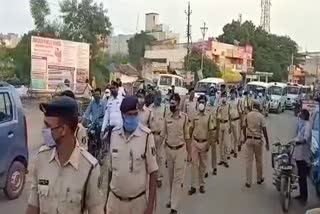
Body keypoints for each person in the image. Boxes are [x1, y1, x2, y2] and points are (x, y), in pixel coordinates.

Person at [26, 96, 104, 214]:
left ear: (62, 130)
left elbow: (96, 210)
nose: (43, 129)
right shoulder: (41, 159)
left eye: (47, 126)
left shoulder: (90, 168)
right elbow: (33, 206)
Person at [106, 96, 158, 214]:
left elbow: (153, 172)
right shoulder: (114, 134)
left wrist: (150, 206)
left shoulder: (146, 136)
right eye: (130, 114)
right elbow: (110, 170)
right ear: (123, 114)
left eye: (136, 114)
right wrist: (106, 200)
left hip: (137, 203)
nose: (133, 117)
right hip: (114, 202)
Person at [161, 93, 191, 214]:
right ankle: (170, 198)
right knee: (171, 177)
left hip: (180, 150)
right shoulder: (166, 118)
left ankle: (174, 206)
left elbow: (187, 136)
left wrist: (189, 153)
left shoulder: (184, 118)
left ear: (178, 104)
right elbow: (163, 135)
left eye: (174, 103)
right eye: (170, 103)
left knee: (178, 179)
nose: (171, 105)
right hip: (169, 150)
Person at [188, 95, 213, 195]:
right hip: (195, 142)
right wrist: (189, 141)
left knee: (203, 165)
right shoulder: (194, 116)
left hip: (204, 142)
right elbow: (191, 128)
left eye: (203, 101)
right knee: (194, 165)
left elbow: (211, 131)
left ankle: (201, 184)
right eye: (200, 101)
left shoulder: (209, 116)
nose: (201, 103)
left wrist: (209, 144)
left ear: (205, 103)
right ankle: (193, 186)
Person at [243, 99, 270, 188]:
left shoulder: (248, 115)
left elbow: (244, 126)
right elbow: (264, 130)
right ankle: (259, 179)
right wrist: (267, 142)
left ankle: (248, 181)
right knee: (259, 160)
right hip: (258, 140)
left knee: (248, 161)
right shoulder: (261, 116)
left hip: (249, 139)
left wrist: (245, 137)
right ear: (258, 107)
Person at [293, 109, 312, 202]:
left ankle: (304, 196)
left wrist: (298, 142)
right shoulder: (301, 123)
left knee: (303, 176)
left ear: (304, 115)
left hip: (303, 155)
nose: (299, 114)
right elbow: (297, 133)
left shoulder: (307, 126)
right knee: (300, 176)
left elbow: (305, 138)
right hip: (299, 154)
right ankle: (301, 194)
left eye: (300, 113)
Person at [150, 90, 166, 188]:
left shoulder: (164, 108)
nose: (159, 100)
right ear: (154, 98)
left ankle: (159, 178)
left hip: (161, 135)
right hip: (151, 135)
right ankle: (152, 177)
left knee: (160, 157)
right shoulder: (149, 109)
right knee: (152, 157)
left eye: (160, 99)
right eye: (157, 98)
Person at [216, 91, 231, 168]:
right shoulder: (219, 107)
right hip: (221, 124)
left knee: (225, 143)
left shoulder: (228, 106)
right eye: (222, 96)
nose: (223, 98)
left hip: (226, 124)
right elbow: (217, 118)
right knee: (220, 144)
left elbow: (230, 116)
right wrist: (217, 129)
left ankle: (226, 160)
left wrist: (230, 126)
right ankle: (221, 159)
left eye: (225, 96)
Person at [207, 89, 219, 175]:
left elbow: (218, 121)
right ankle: (205, 170)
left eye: (213, 96)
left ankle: (214, 167)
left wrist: (218, 134)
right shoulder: (205, 107)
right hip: (206, 132)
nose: (211, 97)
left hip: (214, 131)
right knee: (205, 151)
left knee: (213, 151)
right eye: (210, 95)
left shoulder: (217, 107)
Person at [229, 88, 241, 158]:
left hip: (236, 120)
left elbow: (240, 111)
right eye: (231, 93)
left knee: (236, 136)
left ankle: (235, 151)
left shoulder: (237, 101)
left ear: (235, 94)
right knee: (231, 136)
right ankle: (232, 149)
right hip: (230, 120)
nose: (232, 94)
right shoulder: (228, 101)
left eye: (233, 93)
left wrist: (242, 121)